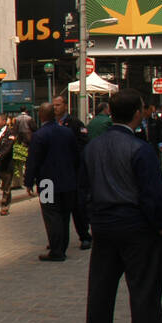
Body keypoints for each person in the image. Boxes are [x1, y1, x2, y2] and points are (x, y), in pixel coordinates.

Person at [81, 88, 162, 323]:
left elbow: (83, 189)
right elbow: (152, 195)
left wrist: (92, 219)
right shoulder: (141, 149)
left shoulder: (93, 147)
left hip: (103, 226)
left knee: (101, 289)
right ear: (138, 112)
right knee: (145, 291)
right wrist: (160, 226)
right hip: (137, 227)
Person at [24, 103, 80, 261]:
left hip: (48, 182)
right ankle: (62, 246)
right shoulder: (67, 132)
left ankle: (56, 250)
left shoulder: (40, 135)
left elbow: (33, 161)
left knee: (51, 215)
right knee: (64, 215)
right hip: (68, 181)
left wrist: (29, 181)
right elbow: (76, 155)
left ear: (41, 116)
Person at [53, 94, 92, 250]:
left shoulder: (75, 124)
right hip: (56, 175)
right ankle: (58, 240)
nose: (55, 108)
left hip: (73, 173)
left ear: (65, 106)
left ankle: (85, 236)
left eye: (58, 105)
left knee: (78, 207)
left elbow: (84, 144)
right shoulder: (50, 125)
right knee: (58, 210)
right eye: (53, 105)